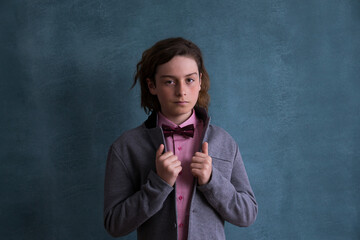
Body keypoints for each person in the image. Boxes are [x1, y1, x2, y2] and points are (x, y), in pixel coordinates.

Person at [104, 37, 257, 240]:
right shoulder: (126, 147)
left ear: (200, 82)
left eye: (189, 80)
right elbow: (115, 224)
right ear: (152, 85)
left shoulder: (224, 142)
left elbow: (247, 214)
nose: (181, 91)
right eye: (169, 81)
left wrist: (212, 180)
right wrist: (158, 184)